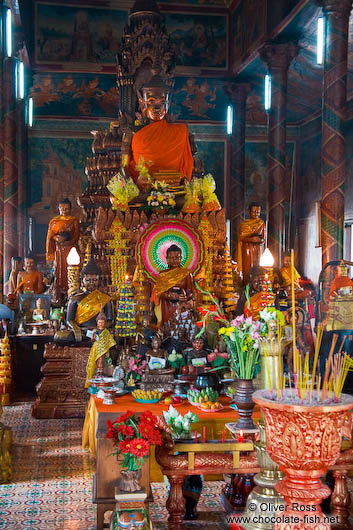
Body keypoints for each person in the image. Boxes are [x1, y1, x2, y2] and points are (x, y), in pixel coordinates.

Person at [128, 75, 193, 183]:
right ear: (142, 103)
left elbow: (185, 171)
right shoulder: (133, 133)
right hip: (143, 188)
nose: (156, 108)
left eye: (162, 103)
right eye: (151, 102)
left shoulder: (180, 132)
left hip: (174, 187)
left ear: (168, 105)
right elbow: (124, 168)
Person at [66, 257, 113, 342]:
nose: (91, 283)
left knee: (113, 337)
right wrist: (76, 329)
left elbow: (110, 320)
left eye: (95, 280)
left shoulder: (105, 298)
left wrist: (101, 328)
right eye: (88, 280)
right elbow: (69, 320)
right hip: (81, 332)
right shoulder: (75, 298)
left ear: (99, 281)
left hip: (99, 332)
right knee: (63, 337)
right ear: (82, 281)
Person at [151, 244, 194, 326]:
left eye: (177, 257)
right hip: (167, 306)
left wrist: (185, 297)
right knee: (168, 328)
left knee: (180, 328)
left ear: (181, 258)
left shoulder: (186, 274)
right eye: (171, 258)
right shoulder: (162, 274)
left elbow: (191, 292)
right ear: (167, 259)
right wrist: (171, 295)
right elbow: (159, 292)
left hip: (181, 306)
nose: (174, 260)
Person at [46, 198, 80, 302]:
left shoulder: (74, 221)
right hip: (58, 250)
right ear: (59, 208)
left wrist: (66, 241)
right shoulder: (54, 222)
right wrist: (56, 239)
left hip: (70, 249)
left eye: (67, 209)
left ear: (70, 209)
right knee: (58, 271)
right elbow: (49, 237)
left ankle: (70, 293)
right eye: (62, 208)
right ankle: (58, 295)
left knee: (69, 270)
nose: (64, 211)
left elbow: (76, 237)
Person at [85, 308, 116, 387]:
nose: (101, 324)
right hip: (97, 348)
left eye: (102, 322)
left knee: (103, 361)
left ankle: (101, 372)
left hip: (104, 349)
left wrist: (107, 348)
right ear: (97, 323)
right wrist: (93, 335)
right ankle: (97, 373)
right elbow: (92, 339)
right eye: (99, 322)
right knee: (96, 361)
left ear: (105, 323)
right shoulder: (96, 331)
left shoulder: (106, 331)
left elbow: (109, 340)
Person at [237, 203, 265, 284]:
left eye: (258, 212)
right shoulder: (244, 224)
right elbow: (240, 238)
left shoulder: (261, 223)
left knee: (257, 266)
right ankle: (247, 284)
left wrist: (259, 240)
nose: (256, 214)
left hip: (257, 248)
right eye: (254, 211)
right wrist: (251, 239)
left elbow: (263, 239)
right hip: (247, 248)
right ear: (249, 212)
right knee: (248, 266)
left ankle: (256, 284)